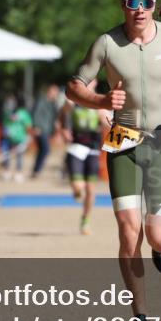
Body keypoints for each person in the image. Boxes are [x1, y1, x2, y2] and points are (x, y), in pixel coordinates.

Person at [66, 0, 161, 321]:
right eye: (133, 4)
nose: (139, 11)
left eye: (146, 4)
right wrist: (100, 101)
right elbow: (73, 87)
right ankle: (140, 314)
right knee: (129, 235)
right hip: (122, 143)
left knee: (158, 237)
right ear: (123, 6)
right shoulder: (107, 43)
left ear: (155, 6)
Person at [60, 95, 111, 235]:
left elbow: (109, 124)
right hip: (76, 148)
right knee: (79, 186)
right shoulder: (73, 103)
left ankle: (85, 220)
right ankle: (76, 190)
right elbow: (63, 112)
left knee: (90, 190)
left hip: (93, 151)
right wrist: (63, 129)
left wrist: (105, 120)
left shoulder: (100, 106)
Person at [0, 96, 32, 182]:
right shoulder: (22, 113)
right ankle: (14, 172)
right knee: (14, 155)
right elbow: (28, 125)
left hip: (15, 137)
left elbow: (27, 125)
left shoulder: (10, 112)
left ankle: (11, 172)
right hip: (14, 137)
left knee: (12, 154)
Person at [31, 84, 60, 178]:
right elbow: (36, 113)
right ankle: (37, 170)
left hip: (47, 130)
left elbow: (54, 117)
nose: (56, 94)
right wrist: (36, 126)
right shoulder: (42, 101)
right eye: (55, 92)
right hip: (41, 129)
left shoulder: (53, 104)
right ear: (50, 91)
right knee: (45, 149)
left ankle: (36, 170)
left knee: (42, 150)